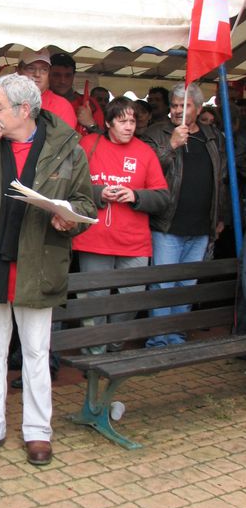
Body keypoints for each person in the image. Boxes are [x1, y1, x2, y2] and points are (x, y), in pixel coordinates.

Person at [0, 73, 96, 466]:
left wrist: (70, 217)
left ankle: (37, 432)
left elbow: (86, 202)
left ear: (24, 110)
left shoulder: (68, 147)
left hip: (38, 264)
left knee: (35, 351)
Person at [72, 97, 169, 354]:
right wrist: (99, 193)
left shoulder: (144, 151)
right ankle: (94, 352)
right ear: (107, 123)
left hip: (133, 241)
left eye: (133, 121)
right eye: (122, 121)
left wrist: (136, 196)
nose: (129, 126)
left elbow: (162, 196)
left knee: (132, 299)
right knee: (95, 301)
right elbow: (71, 186)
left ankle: (114, 343)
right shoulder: (88, 144)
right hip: (94, 238)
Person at [142, 83, 227, 347]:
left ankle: (176, 336)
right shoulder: (157, 133)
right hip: (167, 223)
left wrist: (219, 216)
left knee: (186, 286)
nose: (178, 110)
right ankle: (158, 338)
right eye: (175, 105)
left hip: (201, 225)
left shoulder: (213, 136)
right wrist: (171, 145)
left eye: (185, 105)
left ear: (198, 108)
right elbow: (147, 172)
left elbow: (221, 178)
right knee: (162, 285)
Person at [17, 48, 76, 128]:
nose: (37, 74)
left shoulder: (61, 106)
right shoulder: (5, 100)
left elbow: (63, 140)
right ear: (18, 71)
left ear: (49, 73)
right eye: (31, 68)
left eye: (44, 69)